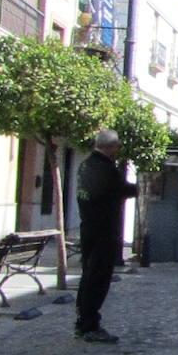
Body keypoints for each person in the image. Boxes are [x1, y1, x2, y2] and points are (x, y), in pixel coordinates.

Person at [75, 129, 138, 344]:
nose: (117, 151)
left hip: (88, 226)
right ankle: (90, 324)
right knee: (98, 277)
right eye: (117, 147)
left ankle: (83, 320)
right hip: (103, 229)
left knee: (88, 274)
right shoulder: (105, 167)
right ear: (112, 147)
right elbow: (115, 190)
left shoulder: (85, 164)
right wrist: (135, 189)